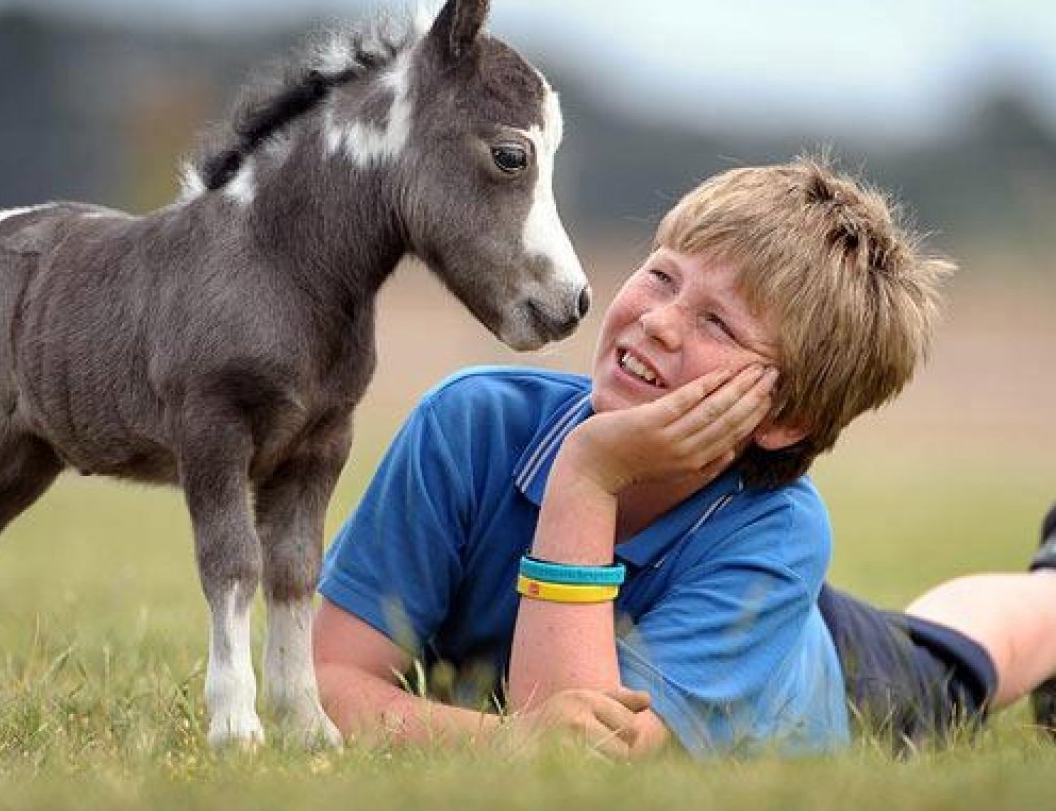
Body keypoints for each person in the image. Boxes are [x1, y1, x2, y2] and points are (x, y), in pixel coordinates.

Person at [311, 157, 1056, 757]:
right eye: (662, 276)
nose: (661, 322)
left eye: (718, 325)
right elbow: (327, 681)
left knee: (959, 662)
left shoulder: (779, 535)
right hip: (730, 604)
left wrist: (587, 476)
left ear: (786, 417)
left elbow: (582, 772)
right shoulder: (470, 425)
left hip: (825, 671)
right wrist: (508, 744)